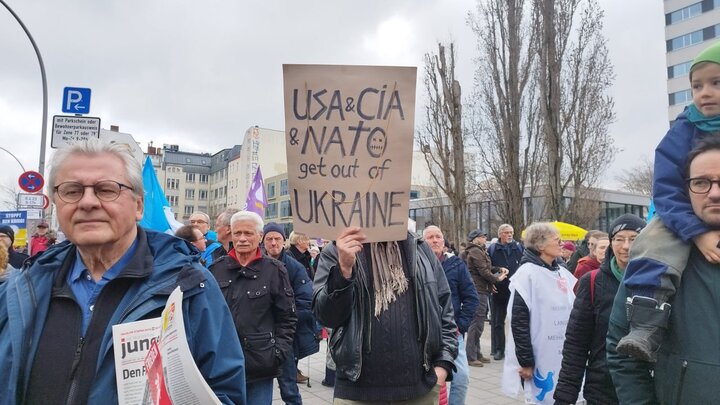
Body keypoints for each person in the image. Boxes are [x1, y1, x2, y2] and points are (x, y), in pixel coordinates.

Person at [0, 140, 246, 404]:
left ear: (139, 206)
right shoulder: (20, 290)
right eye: (72, 191)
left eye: (107, 190)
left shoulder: (188, 286)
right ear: (56, 204)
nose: (88, 202)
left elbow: (225, 392)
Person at [617, 40, 720, 362]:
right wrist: (696, 231)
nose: (705, 93)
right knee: (652, 243)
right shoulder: (683, 130)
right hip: (681, 212)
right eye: (697, 86)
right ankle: (646, 324)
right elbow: (665, 188)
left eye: (716, 83)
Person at [607, 138, 720, 403]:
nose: (714, 193)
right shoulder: (654, 262)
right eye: (702, 182)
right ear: (686, 190)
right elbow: (623, 352)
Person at [313, 227, 458, 404]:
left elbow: (444, 308)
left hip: (420, 391)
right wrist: (343, 270)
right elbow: (326, 316)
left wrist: (443, 365)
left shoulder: (419, 247)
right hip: (357, 393)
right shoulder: (337, 249)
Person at [554, 214, 646, 405]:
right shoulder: (594, 281)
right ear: (611, 243)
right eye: (619, 239)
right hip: (603, 388)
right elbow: (576, 343)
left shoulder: (659, 282)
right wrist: (565, 396)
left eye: (634, 239)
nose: (626, 246)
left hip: (647, 388)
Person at [209, 211, 297, 405]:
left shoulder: (275, 270)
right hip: (223, 367)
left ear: (259, 236)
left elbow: (287, 317)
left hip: (260, 367)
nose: (242, 239)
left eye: (248, 233)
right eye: (237, 233)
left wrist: (277, 354)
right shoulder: (215, 270)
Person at [501, 222, 576, 405]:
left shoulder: (561, 273)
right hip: (540, 354)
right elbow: (519, 321)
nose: (562, 244)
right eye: (557, 240)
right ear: (540, 245)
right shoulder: (527, 275)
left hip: (563, 352)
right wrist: (526, 361)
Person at [262, 221, 320, 403]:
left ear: (284, 241)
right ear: (262, 241)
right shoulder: (255, 264)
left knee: (288, 387)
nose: (273, 243)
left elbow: (306, 302)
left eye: (277, 238)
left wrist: (284, 321)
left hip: (284, 337)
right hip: (257, 337)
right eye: (269, 238)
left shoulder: (295, 268)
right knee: (257, 386)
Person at [423, 225, 479, 405]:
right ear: (422, 242)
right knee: (427, 380)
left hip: (452, 333)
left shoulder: (456, 264)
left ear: (443, 240)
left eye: (438, 236)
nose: (434, 240)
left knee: (461, 378)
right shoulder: (416, 264)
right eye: (430, 237)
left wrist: (460, 325)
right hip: (424, 334)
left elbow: (471, 298)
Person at [461, 229, 508, 367]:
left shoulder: (479, 250)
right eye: (482, 236)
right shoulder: (475, 251)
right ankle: (471, 355)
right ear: (475, 239)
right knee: (476, 324)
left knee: (479, 323)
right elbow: (483, 271)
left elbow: (487, 267)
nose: (484, 238)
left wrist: (498, 268)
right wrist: (497, 279)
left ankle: (476, 352)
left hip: (482, 288)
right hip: (478, 289)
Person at [488, 223, 524, 360]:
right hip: (499, 289)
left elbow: (524, 264)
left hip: (515, 290)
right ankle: (498, 350)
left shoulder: (519, 247)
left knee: (517, 322)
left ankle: (517, 350)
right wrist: (493, 280)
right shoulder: (492, 249)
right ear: (500, 234)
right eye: (506, 232)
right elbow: (488, 268)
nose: (509, 235)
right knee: (498, 322)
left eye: (511, 232)